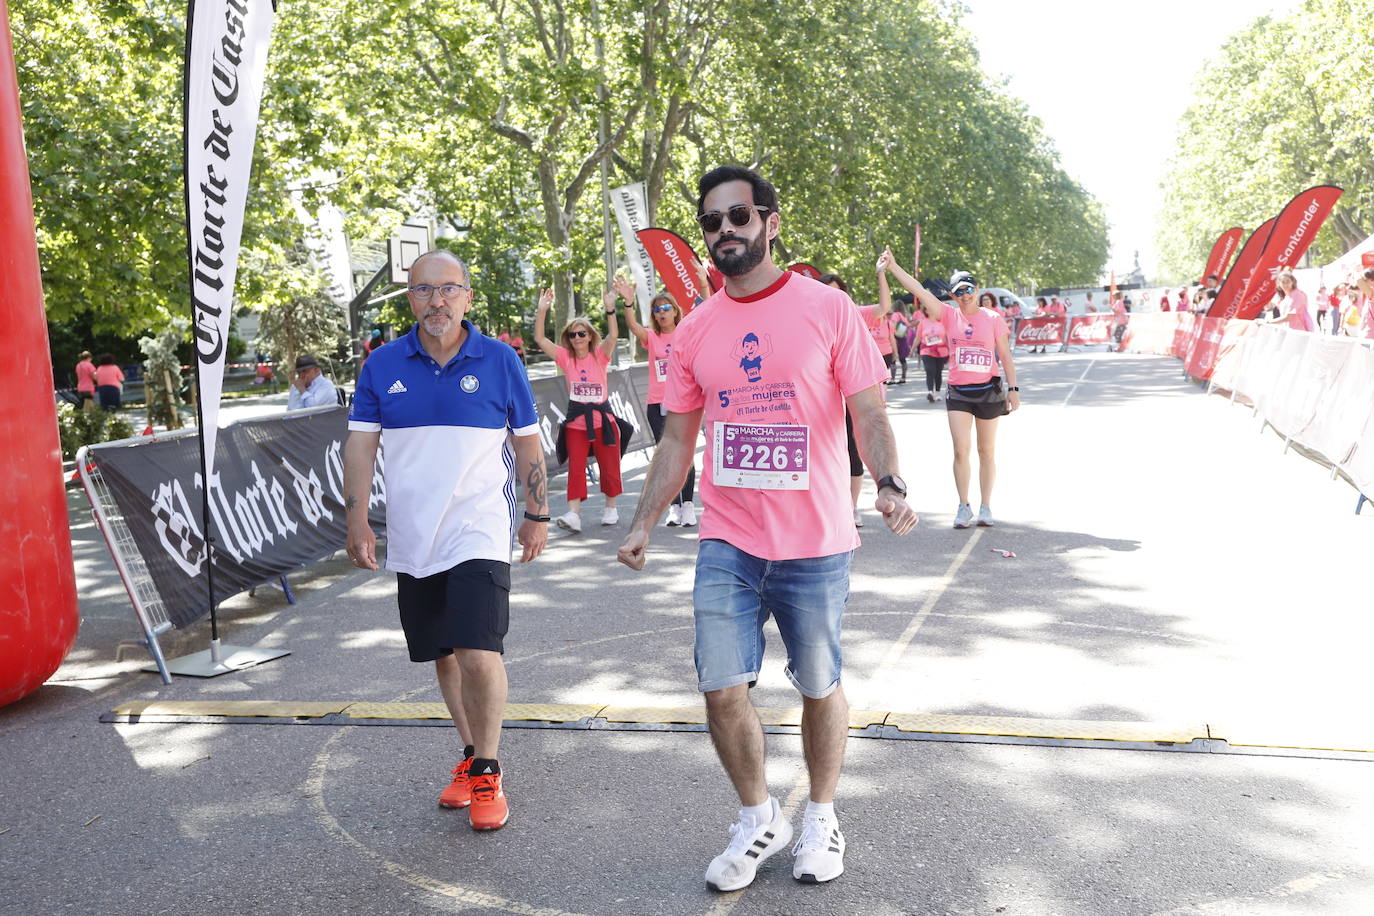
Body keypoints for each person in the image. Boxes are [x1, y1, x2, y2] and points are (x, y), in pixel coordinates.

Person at [617, 165, 917, 893]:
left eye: (740, 216)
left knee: (819, 684)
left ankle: (820, 813)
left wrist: (888, 481)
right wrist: (643, 522)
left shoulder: (828, 307)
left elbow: (868, 412)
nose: (726, 231)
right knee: (721, 686)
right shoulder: (694, 330)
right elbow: (679, 442)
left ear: (771, 223)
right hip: (728, 536)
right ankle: (759, 818)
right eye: (713, 222)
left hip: (815, 539)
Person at [343, 249, 548, 832]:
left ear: (467, 296)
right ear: (410, 298)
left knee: (480, 649)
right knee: (443, 653)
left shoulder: (502, 359)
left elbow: (529, 444)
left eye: (448, 289)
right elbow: (360, 445)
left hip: (480, 527)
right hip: (413, 534)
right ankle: (468, 753)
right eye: (424, 291)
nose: (437, 301)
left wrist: (538, 513)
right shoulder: (382, 364)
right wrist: (357, 519)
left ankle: (488, 768)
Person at [884, 254, 1020, 528]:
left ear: (977, 291)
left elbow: (1005, 356)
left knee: (987, 450)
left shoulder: (993, 318)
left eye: (969, 289)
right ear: (953, 296)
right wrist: (893, 266)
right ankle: (963, 506)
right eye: (959, 292)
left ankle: (985, 506)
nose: (965, 295)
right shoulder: (948, 314)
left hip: (989, 390)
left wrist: (1013, 388)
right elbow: (919, 291)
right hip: (959, 391)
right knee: (960, 450)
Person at [533, 284, 623, 532]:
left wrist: (610, 309)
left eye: (582, 334)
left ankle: (611, 508)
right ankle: (574, 514)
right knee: (575, 468)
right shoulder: (565, 357)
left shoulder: (600, 355)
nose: (578, 338)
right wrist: (542, 310)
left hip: (603, 422)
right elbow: (540, 339)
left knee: (610, 466)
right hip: (576, 423)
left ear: (590, 336)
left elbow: (613, 336)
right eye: (573, 335)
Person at [618, 275, 698, 527]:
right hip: (657, 404)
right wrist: (628, 303)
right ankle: (673, 507)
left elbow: (703, 308)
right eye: (657, 310)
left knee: (685, 454)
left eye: (666, 308)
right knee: (666, 455)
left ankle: (688, 505)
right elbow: (633, 327)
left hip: (683, 402)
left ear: (675, 311)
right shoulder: (652, 337)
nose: (662, 313)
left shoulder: (685, 333)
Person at [819, 270, 890, 528]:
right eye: (828, 292)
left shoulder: (854, 314)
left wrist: (881, 272)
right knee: (825, 453)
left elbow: (884, 307)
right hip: (822, 401)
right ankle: (829, 505)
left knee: (852, 450)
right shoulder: (810, 319)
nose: (833, 297)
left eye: (838, 292)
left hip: (852, 396)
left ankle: (852, 506)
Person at [914, 289, 949, 401]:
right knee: (930, 370)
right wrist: (912, 349)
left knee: (938, 372)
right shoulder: (923, 322)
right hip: (927, 351)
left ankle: (937, 392)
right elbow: (918, 337)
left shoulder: (943, 322)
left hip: (941, 351)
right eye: (928, 308)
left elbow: (948, 336)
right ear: (926, 311)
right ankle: (930, 392)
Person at [888, 302, 912, 384]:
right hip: (903, 338)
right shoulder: (903, 316)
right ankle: (903, 378)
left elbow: (893, 325)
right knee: (903, 359)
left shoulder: (895, 315)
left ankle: (892, 379)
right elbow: (908, 326)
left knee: (893, 358)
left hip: (896, 338)